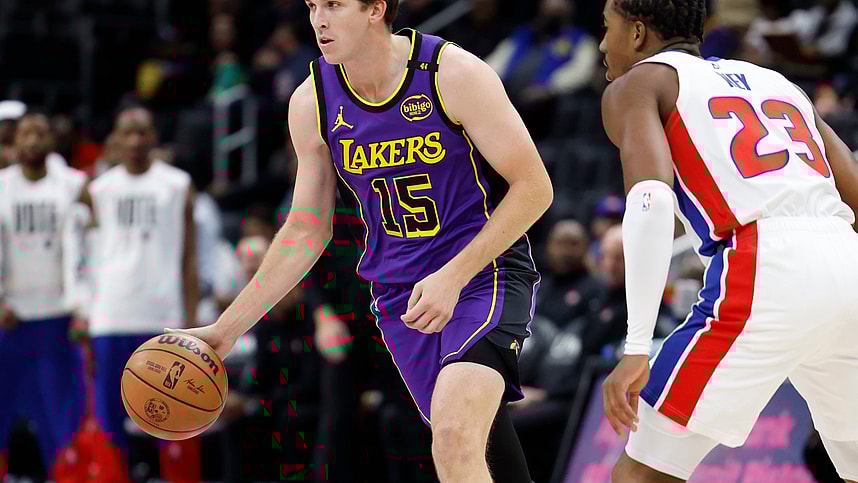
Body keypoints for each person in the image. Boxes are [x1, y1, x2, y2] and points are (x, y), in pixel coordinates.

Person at [170, 1, 554, 482]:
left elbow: (535, 188)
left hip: (482, 275)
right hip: (401, 296)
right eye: (312, 5)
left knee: (455, 437)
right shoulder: (313, 100)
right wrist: (225, 331)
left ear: (376, 8)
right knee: (482, 447)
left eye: (333, 4)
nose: (318, 19)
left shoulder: (450, 71)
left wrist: (453, 276)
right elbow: (307, 228)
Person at [598, 0, 858, 481]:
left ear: (636, 33)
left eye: (606, 28)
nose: (601, 44)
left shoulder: (638, 84)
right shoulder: (778, 83)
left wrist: (636, 346)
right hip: (847, 257)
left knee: (644, 471)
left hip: (763, 266)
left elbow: (651, 202)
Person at [78, 105, 198, 462]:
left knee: (174, 418)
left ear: (154, 137)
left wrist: (191, 320)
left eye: (141, 132)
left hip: (164, 317)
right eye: (126, 133)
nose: (134, 140)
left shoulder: (177, 184)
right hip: (110, 314)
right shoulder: (97, 189)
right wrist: (83, 310)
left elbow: (188, 258)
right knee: (108, 422)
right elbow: (83, 258)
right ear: (114, 139)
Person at [0, 111, 88, 478]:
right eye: (26, 134)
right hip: (11, 316)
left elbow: (87, 250)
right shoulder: (2, 184)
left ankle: (67, 474)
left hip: (58, 316)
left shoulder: (74, 183)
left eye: (41, 133)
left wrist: (82, 305)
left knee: (62, 416)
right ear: (14, 142)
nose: (33, 140)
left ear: (53, 140)